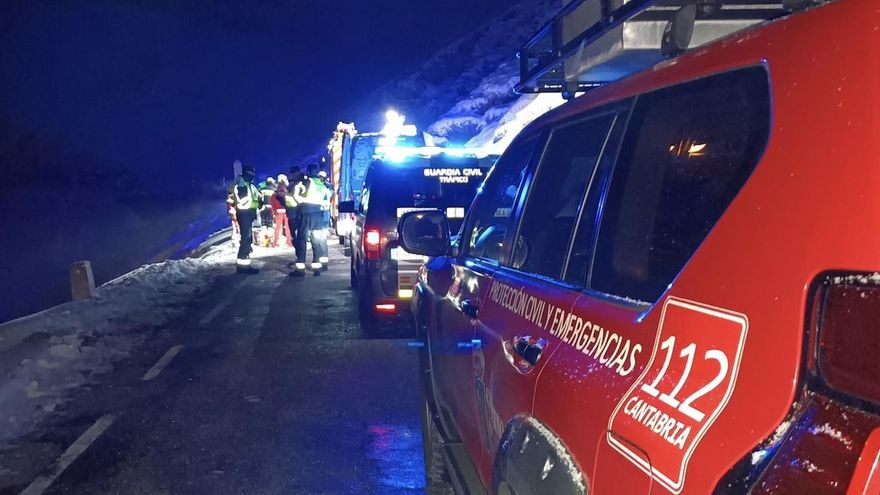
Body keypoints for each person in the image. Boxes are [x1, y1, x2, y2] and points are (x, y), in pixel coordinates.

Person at [290, 164, 331, 277]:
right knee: (316, 241)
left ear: (308, 172)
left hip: (306, 213)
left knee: (302, 241)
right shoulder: (321, 184)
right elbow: (327, 198)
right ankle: (317, 268)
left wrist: (300, 201)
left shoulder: (306, 182)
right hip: (318, 214)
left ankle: (300, 269)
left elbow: (295, 194)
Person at [229, 166, 262, 274]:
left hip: (248, 214)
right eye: (251, 174)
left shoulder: (250, 185)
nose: (253, 176)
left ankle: (244, 265)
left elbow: (257, 197)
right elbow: (243, 200)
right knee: (245, 240)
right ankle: (243, 267)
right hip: (244, 214)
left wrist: (259, 202)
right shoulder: (241, 184)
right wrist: (257, 203)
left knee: (247, 239)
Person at [271, 175, 293, 248]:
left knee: (278, 228)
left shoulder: (275, 193)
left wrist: (274, 211)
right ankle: (289, 242)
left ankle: (275, 243)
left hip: (278, 211)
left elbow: (273, 202)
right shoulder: (286, 191)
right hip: (286, 211)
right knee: (287, 227)